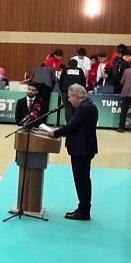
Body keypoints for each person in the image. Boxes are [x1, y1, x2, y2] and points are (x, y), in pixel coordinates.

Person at [48, 84, 98, 221]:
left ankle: (83, 211)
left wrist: (55, 133)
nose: (69, 100)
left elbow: (72, 126)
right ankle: (83, 208)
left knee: (82, 181)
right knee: (82, 180)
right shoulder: (88, 106)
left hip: (82, 149)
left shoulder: (84, 108)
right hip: (83, 148)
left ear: (76, 96)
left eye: (70, 97)